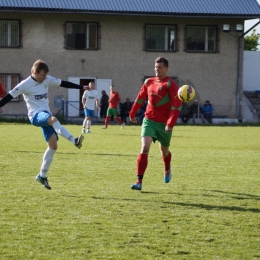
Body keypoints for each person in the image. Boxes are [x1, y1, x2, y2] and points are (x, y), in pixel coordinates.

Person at [0, 59, 87, 190]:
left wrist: (81, 87)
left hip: (45, 114)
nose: (45, 77)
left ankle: (42, 175)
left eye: (46, 75)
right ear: (35, 72)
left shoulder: (46, 79)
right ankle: (74, 140)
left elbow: (63, 83)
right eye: (42, 75)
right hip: (36, 115)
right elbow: (8, 97)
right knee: (53, 119)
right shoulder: (24, 84)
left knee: (53, 145)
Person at [129, 57, 182, 191]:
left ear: (166, 69)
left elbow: (176, 106)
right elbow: (140, 98)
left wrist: (170, 123)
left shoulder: (170, 84)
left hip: (164, 124)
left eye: (160, 67)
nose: (157, 69)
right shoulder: (149, 82)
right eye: (155, 67)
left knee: (164, 152)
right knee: (144, 148)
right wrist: (132, 113)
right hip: (149, 120)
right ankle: (139, 181)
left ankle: (167, 168)